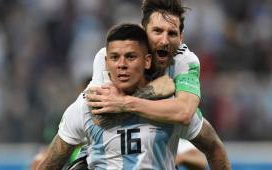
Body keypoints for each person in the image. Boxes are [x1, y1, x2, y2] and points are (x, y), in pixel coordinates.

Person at [37, 23, 230, 170]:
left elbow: (214, 148)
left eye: (130, 57)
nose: (121, 65)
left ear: (147, 61)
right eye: (114, 58)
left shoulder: (170, 109)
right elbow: (49, 164)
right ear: (106, 63)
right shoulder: (86, 108)